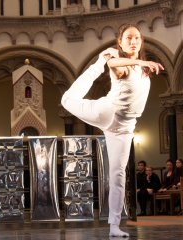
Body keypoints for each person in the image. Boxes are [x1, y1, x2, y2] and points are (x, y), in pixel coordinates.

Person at [61, 23, 164, 237]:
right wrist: (108, 61)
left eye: (136, 37)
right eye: (128, 38)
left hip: (125, 128)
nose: (133, 41)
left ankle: (114, 226)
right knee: (66, 100)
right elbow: (115, 62)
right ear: (120, 42)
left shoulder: (142, 69)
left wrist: (141, 63)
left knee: (118, 174)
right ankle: (96, 64)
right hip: (107, 111)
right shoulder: (123, 64)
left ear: (141, 41)